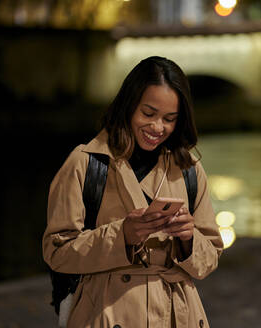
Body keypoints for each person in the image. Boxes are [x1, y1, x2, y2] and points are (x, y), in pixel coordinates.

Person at [42, 56, 224, 328]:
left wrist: (189, 238)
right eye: (148, 114)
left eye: (170, 119)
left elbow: (209, 260)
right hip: (107, 315)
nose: (158, 128)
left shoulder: (189, 170)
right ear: (128, 106)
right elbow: (57, 252)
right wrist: (123, 236)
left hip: (178, 316)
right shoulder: (86, 163)